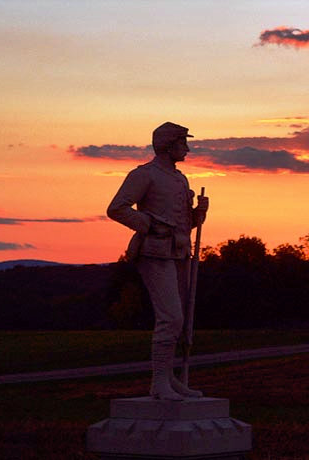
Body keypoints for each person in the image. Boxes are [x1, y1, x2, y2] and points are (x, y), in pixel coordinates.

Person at [107, 122, 209, 400]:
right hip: (153, 252)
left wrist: (198, 215)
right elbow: (117, 208)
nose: (187, 149)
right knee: (171, 317)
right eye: (182, 143)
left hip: (178, 252)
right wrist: (149, 224)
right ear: (168, 145)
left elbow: (183, 224)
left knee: (180, 320)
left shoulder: (180, 179)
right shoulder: (144, 175)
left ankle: (169, 378)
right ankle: (158, 384)